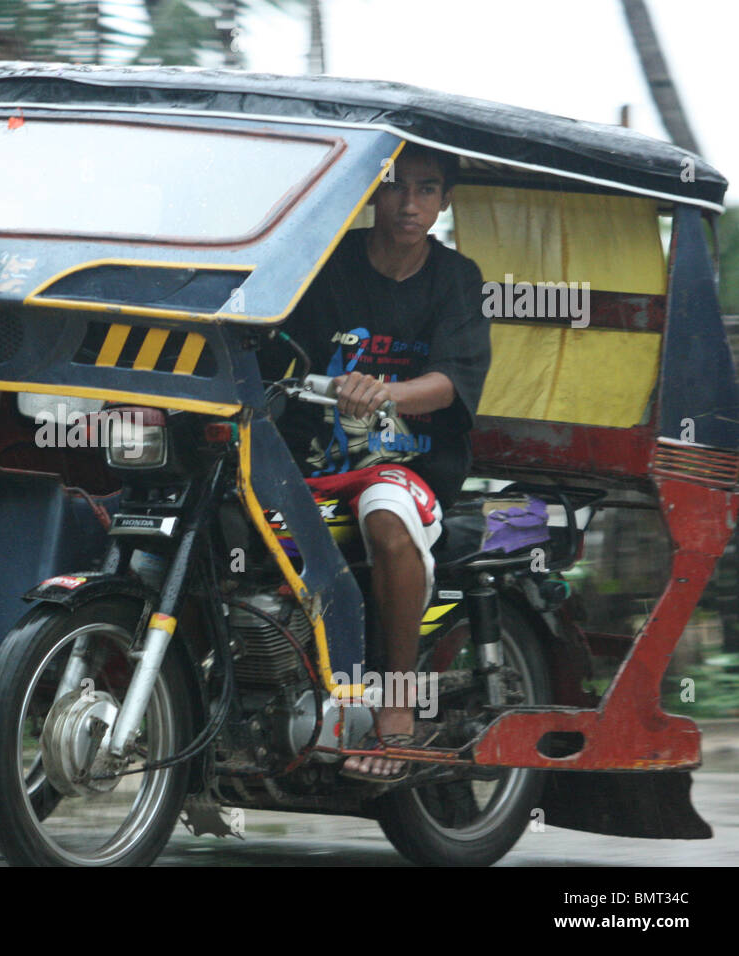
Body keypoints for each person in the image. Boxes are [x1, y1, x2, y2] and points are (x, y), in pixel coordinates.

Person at [260, 143, 490, 782]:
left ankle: (396, 700)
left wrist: (384, 391)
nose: (408, 204)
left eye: (426, 189)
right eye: (395, 187)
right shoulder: (325, 266)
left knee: (386, 517)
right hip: (308, 459)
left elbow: (450, 380)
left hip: (409, 466)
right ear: (372, 194)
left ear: (444, 201)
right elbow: (270, 348)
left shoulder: (457, 279)